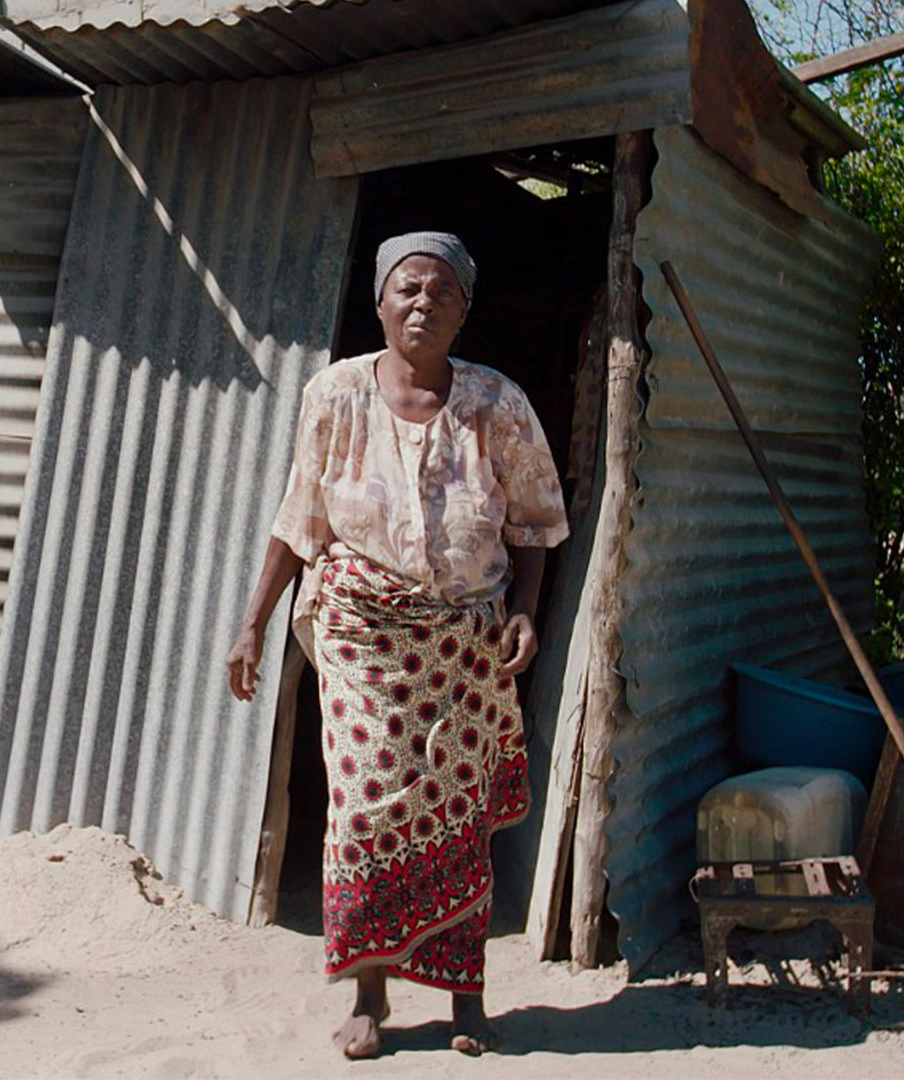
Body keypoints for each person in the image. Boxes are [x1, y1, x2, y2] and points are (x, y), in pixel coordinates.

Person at [225, 232, 569, 1059]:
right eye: (407, 289)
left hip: (465, 638)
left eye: (441, 292)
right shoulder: (335, 395)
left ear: (465, 310)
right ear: (380, 302)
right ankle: (370, 995)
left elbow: (533, 522)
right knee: (368, 808)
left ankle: (466, 1001)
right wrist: (254, 622)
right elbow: (298, 518)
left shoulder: (497, 402)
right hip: (360, 630)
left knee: (457, 817)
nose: (423, 304)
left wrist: (525, 610)